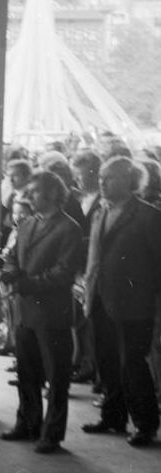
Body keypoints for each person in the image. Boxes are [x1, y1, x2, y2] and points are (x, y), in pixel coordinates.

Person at [0, 170, 84, 453]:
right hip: (27, 312)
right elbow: (11, 256)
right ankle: (28, 423)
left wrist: (24, 282)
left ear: (52, 194)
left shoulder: (69, 229)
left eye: (33, 192)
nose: (28, 197)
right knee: (27, 373)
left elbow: (63, 274)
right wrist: (10, 273)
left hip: (52, 314)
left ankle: (52, 433)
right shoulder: (27, 224)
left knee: (56, 378)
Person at [81, 156, 161, 447]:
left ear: (129, 180)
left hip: (134, 305)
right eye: (101, 177)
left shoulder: (148, 216)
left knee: (133, 365)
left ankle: (145, 424)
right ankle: (112, 417)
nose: (102, 182)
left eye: (110, 178)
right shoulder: (101, 212)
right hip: (102, 298)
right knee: (108, 362)